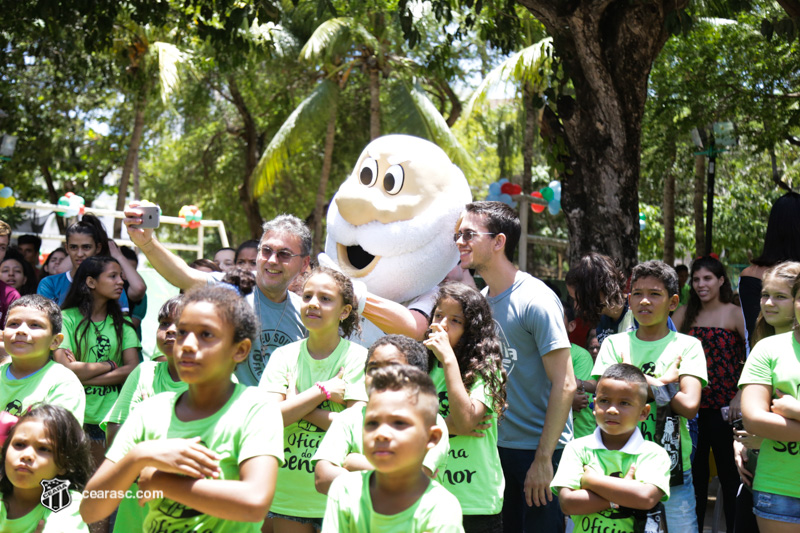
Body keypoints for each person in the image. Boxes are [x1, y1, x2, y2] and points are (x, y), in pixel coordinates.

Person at [80, 286, 283, 531]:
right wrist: (140, 455)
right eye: (183, 332)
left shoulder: (255, 409)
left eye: (206, 334)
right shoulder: (150, 411)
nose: (186, 344)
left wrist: (162, 482)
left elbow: (255, 503)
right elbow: (91, 508)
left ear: (240, 350)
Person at [455, 201, 575, 533]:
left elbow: (566, 384)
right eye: (457, 235)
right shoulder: (478, 300)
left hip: (535, 453)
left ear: (498, 241)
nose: (460, 242)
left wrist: (542, 460)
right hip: (491, 451)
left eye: (468, 234)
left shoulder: (536, 299)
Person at [124, 205, 310, 386]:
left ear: (304, 263)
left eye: (284, 254)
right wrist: (147, 243)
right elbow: (183, 275)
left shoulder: (306, 312)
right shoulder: (233, 287)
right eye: (266, 251)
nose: (272, 260)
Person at [588, 260, 707, 532]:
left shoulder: (688, 346)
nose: (645, 301)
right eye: (638, 294)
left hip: (672, 466)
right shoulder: (614, 344)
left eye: (655, 294)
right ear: (629, 300)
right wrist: (667, 384)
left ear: (673, 302)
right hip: (617, 463)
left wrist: (638, 378)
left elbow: (689, 406)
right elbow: (607, 398)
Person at [259, 267, 368, 533]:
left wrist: (297, 405)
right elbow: (268, 419)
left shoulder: (358, 358)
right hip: (289, 496)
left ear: (344, 312)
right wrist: (323, 391)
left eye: (325, 298)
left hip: (339, 495)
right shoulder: (283, 356)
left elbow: (357, 427)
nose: (313, 304)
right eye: (307, 296)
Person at [321, 365, 464, 532]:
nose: (381, 434)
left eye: (399, 423)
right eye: (372, 423)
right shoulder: (344, 490)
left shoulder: (440, 507)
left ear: (431, 438)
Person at [313, 334, 450, 494]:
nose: (380, 376)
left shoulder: (430, 422)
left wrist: (354, 462)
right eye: (373, 369)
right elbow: (323, 478)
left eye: (393, 368)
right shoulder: (348, 418)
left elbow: (409, 483)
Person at [423, 282, 507, 531]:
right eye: (438, 316)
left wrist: (448, 359)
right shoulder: (420, 366)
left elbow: (466, 421)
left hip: (475, 502)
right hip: (429, 497)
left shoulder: (486, 371)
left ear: (472, 329)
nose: (443, 325)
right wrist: (451, 425)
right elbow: (408, 427)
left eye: (455, 320)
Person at [102, 295, 188, 533]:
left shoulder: (217, 383)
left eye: (181, 326)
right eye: (164, 324)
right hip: (137, 494)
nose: (170, 331)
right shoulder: (144, 372)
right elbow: (115, 428)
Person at [672, 255, 746, 530]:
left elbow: (752, 355)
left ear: (721, 281)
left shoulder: (733, 312)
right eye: (697, 279)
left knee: (730, 476)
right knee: (695, 476)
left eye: (708, 278)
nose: (701, 284)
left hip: (725, 409)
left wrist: (742, 393)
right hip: (689, 409)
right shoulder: (682, 314)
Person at [551, 364, 671, 533]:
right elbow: (568, 503)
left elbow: (646, 498)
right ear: (594, 405)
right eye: (604, 401)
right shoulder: (577, 448)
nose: (612, 410)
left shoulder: (653, 454)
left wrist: (591, 481)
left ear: (644, 412)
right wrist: (622, 493)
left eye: (624, 403)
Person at [53, 256, 140, 469]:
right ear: (91, 282)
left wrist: (81, 375)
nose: (121, 281)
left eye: (121, 276)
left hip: (110, 419)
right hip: (72, 414)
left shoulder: (123, 325)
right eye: (113, 276)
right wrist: (110, 365)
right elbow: (64, 369)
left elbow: (133, 370)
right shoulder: (65, 319)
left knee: (99, 489)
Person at [732, 262, 800, 533]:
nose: (768, 303)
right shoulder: (766, 347)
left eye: (780, 296)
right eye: (764, 295)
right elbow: (753, 418)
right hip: (772, 477)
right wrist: (741, 442)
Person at [0, 404, 92, 531]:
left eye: (44, 449)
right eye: (19, 444)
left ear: (64, 465)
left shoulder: (65, 504)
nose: (26, 455)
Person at [0, 295, 85, 424]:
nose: (21, 331)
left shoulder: (63, 383)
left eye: (35, 325)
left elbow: (59, 435)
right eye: (14, 324)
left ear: (55, 341)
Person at [37, 215, 146, 312]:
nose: (79, 254)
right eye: (73, 247)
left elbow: (120, 327)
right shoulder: (49, 283)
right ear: (67, 248)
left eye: (86, 247)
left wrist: (118, 255)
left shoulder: (113, 285)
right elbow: (45, 324)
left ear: (98, 248)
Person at [738, 192, 800, 342]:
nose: (769, 303)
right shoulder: (751, 275)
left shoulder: (750, 274)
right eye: (766, 295)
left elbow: (751, 329)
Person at [565, 253, 630, 347]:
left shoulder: (638, 311)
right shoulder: (602, 322)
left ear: (595, 290)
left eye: (578, 299)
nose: (576, 306)